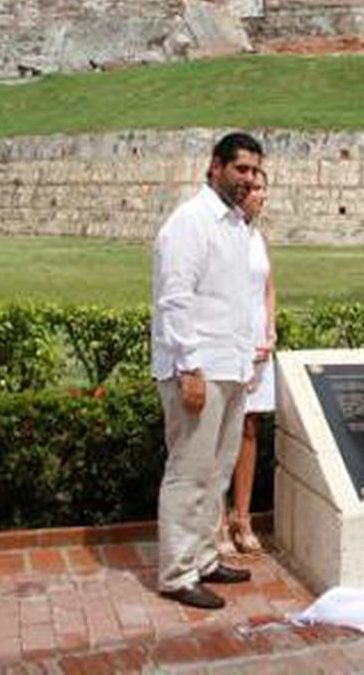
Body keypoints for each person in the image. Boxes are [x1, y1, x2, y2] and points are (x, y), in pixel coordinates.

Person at [151, 132, 263, 609]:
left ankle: (202, 558)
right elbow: (175, 300)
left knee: (216, 471)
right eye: (242, 170)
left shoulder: (237, 227)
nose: (249, 180)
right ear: (214, 166)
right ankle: (177, 573)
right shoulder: (190, 223)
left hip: (231, 367)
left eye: (255, 172)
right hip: (199, 369)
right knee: (189, 471)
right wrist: (189, 368)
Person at [217, 169, 275, 556]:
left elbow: (268, 288)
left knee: (249, 428)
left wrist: (270, 329)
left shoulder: (258, 239)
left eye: (262, 189)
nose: (260, 196)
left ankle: (243, 516)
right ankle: (216, 520)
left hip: (258, 345)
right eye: (253, 188)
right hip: (229, 343)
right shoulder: (224, 236)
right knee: (219, 430)